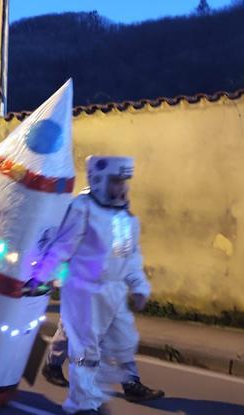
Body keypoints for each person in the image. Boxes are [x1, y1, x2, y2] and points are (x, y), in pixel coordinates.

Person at [26, 156, 164, 415]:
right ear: (99, 180)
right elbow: (62, 247)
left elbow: (128, 254)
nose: (121, 187)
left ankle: (130, 383)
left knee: (122, 341)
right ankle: (82, 403)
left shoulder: (122, 214)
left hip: (113, 291)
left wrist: (138, 285)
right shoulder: (83, 208)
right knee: (85, 349)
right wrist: (41, 277)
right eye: (115, 181)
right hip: (82, 289)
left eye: (124, 181)